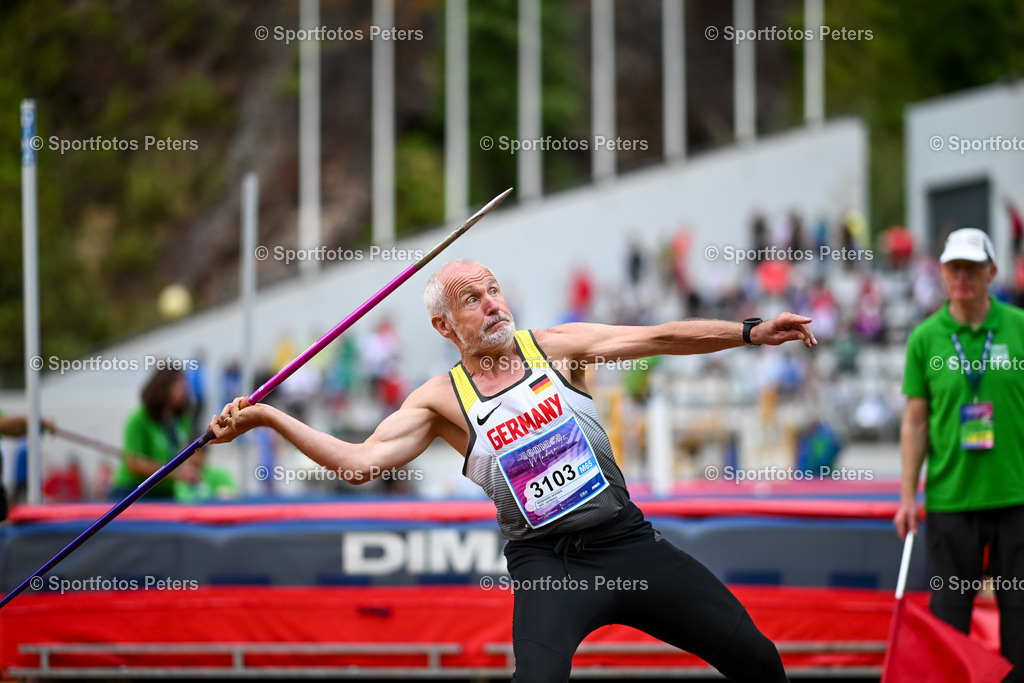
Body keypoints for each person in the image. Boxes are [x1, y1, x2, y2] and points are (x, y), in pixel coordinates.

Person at [210, 260, 817, 682]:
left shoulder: (552, 347)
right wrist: (267, 416)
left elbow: (659, 337)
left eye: (494, 290)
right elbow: (361, 463)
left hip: (627, 542)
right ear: (445, 326)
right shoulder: (440, 400)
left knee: (758, 659)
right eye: (471, 299)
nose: (493, 304)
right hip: (548, 565)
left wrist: (750, 332)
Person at [894, 228, 1024, 680]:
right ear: (943, 273)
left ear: (992, 272)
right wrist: (907, 496)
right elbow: (915, 422)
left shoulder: (1019, 327)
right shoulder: (925, 338)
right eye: (954, 268)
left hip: (1016, 499)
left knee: (1021, 626)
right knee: (949, 626)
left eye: (972, 267)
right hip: (950, 503)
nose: (962, 276)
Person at [111, 368, 197, 500]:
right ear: (164, 387)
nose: (184, 391)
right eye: (179, 386)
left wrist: (188, 470)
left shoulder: (182, 419)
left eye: (185, 386)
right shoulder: (139, 418)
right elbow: (134, 463)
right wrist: (175, 473)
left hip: (166, 491)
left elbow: (181, 451)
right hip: (134, 491)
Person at [0, 413, 55, 518]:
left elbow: (8, 430)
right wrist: (32, 421)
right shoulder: (25, 449)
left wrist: (34, 425)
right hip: (22, 481)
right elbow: (3, 426)